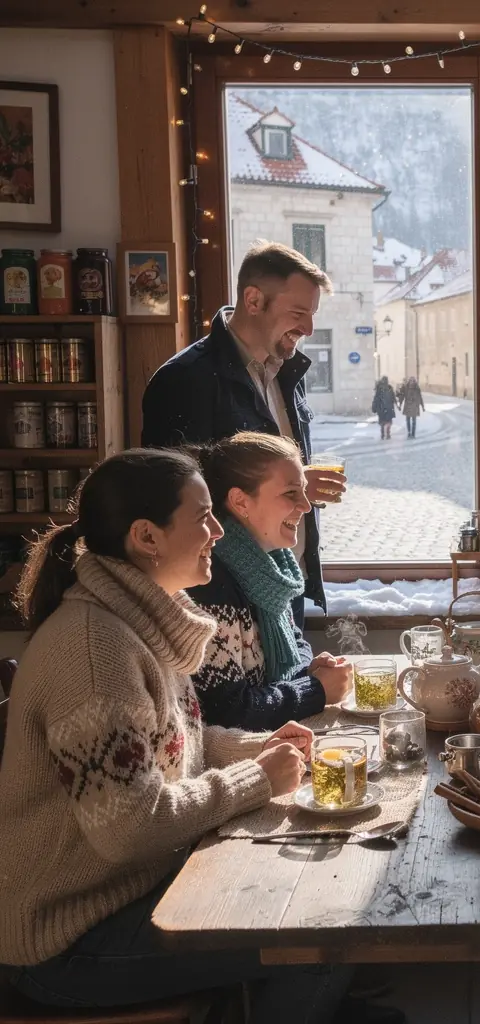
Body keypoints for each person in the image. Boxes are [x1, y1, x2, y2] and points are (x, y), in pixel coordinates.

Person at [0, 449, 350, 1021]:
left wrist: (255, 749)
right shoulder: (95, 650)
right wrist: (257, 777)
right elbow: (131, 828)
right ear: (147, 537)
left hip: (127, 897)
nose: (218, 531)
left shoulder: (139, 620)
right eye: (204, 516)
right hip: (69, 940)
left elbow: (174, 744)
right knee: (319, 938)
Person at [140, 240, 346, 625]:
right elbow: (171, 501)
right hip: (223, 597)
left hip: (285, 582)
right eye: (299, 312)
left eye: (313, 314)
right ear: (253, 301)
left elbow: (265, 472)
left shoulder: (288, 371)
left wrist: (295, 486)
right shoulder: (184, 380)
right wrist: (294, 487)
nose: (309, 328)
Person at [187, 432, 353, 730]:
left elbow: (296, 641)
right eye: (291, 493)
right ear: (240, 501)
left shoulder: (273, 566)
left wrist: (310, 670)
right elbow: (227, 712)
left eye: (304, 491)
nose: (305, 506)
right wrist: (315, 690)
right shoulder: (212, 583)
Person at [372, 376, 396, 440]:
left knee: (385, 422)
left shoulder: (388, 388)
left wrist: (394, 402)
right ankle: (385, 433)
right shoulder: (381, 389)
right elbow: (376, 398)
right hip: (384, 407)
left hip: (385, 408)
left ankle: (385, 433)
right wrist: (374, 406)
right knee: (386, 422)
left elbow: (393, 397)